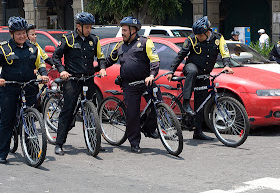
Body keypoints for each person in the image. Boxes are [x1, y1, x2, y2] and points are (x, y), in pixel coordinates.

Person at [0, 16, 49, 164]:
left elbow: (40, 63)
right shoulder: (3, 48)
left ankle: (33, 150)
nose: (22, 36)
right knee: (7, 121)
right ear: (12, 34)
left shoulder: (32, 47)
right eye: (18, 33)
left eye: (24, 33)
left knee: (29, 120)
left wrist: (43, 74)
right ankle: (1, 153)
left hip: (29, 87)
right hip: (9, 88)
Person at [167, 16, 234, 140]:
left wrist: (226, 66)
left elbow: (225, 53)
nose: (197, 37)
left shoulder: (218, 38)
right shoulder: (191, 39)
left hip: (204, 73)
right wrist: (171, 70)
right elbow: (181, 55)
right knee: (192, 71)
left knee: (200, 103)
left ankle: (197, 132)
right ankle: (186, 102)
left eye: (200, 35)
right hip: (192, 68)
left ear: (207, 32)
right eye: (196, 35)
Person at [101, 16, 161, 153]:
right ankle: (134, 143)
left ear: (133, 31)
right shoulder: (120, 46)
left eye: (125, 30)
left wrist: (152, 75)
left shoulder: (146, 43)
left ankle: (149, 129)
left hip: (147, 81)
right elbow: (110, 60)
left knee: (158, 102)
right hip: (129, 85)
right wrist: (100, 67)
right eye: (122, 30)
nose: (122, 33)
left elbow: (154, 61)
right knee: (132, 114)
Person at [52, 12, 106, 156]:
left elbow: (100, 57)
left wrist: (102, 68)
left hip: (88, 78)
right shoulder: (68, 39)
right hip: (72, 79)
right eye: (86, 27)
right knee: (68, 110)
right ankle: (59, 144)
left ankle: (95, 142)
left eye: (90, 27)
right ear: (78, 26)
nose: (89, 30)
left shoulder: (94, 40)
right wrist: (62, 71)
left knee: (91, 110)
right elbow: (56, 56)